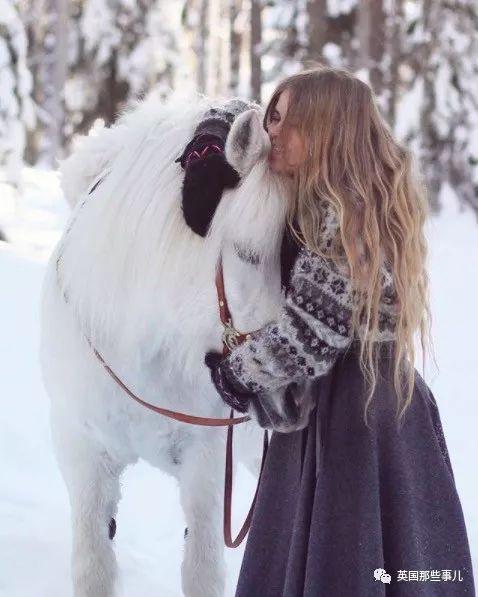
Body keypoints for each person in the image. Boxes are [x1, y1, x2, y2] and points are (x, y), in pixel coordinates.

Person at [205, 66, 476, 596]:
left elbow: (310, 333)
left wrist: (238, 374)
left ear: (325, 128)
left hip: (349, 417)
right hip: (381, 402)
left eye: (286, 121)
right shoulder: (359, 199)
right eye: (271, 117)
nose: (272, 133)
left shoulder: (344, 210)